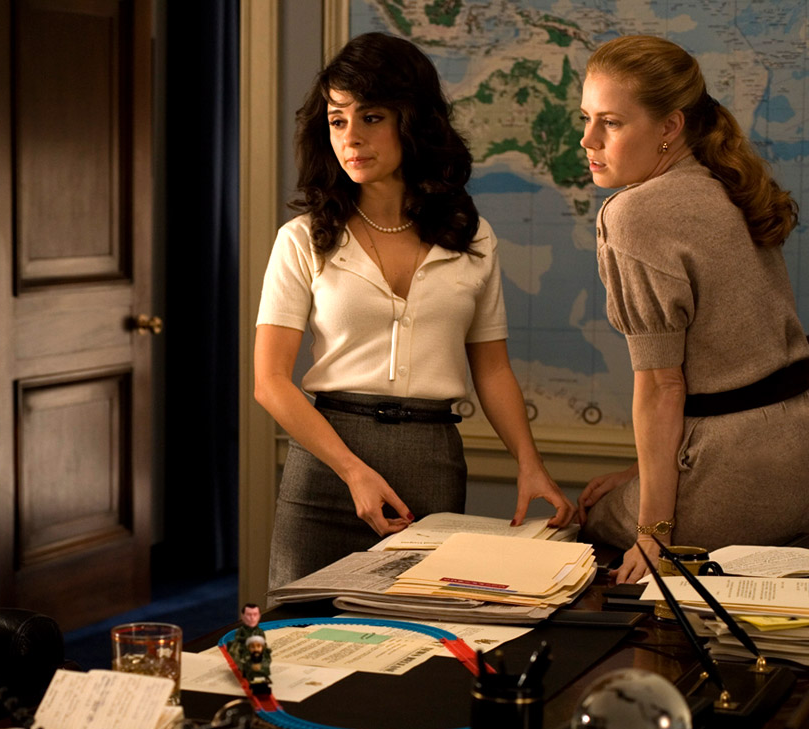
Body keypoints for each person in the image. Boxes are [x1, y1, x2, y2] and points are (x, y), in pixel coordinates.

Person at [255, 33, 573, 593]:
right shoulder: (302, 239)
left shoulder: (472, 239)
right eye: (337, 120)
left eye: (371, 117)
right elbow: (270, 382)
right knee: (296, 632)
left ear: (414, 121)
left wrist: (530, 463)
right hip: (326, 470)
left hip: (431, 463)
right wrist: (352, 471)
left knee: (421, 629)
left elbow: (493, 369)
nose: (351, 137)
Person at [576, 36, 809, 583]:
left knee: (587, 520)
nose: (588, 139)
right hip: (799, 461)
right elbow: (735, 364)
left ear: (670, 126)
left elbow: (664, 387)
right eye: (586, 118)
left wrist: (653, 531)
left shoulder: (632, 214)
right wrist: (637, 476)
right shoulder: (727, 184)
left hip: (737, 477)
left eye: (611, 122)